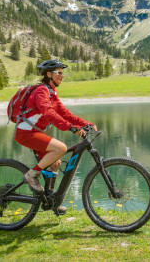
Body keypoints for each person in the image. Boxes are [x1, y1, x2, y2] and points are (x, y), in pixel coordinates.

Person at [15, 59, 96, 212]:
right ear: (49, 74)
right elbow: (49, 112)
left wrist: (85, 123)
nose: (62, 76)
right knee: (61, 148)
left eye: (62, 73)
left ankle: (51, 200)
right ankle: (31, 176)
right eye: (59, 72)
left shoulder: (51, 92)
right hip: (26, 133)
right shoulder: (41, 91)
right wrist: (71, 128)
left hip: (35, 132)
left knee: (56, 163)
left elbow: (64, 113)